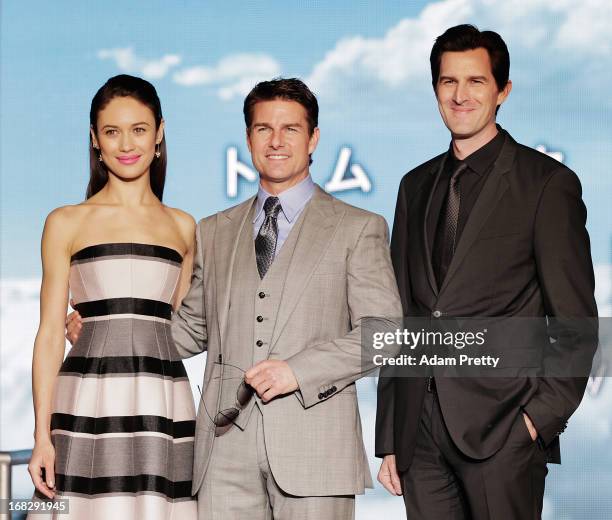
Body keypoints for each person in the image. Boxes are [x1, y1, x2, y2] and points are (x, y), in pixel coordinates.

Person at [67, 77, 401, 519]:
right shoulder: (214, 230)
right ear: (249, 138)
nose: (276, 141)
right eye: (264, 128)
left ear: (313, 137)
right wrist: (104, 334)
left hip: (316, 448)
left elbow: (387, 334)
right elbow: (190, 330)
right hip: (224, 448)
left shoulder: (358, 227)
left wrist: (297, 372)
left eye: (291, 129)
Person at [375, 24, 598, 519]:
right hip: (421, 436)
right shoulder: (414, 187)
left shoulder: (547, 185)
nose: (460, 95)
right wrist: (392, 433)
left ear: (503, 91)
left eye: (475, 81)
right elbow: (404, 316)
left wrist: (536, 422)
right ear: (435, 90)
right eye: (447, 82)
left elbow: (576, 325)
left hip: (505, 432)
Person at [29, 74, 198, 519]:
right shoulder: (66, 222)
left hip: (164, 403)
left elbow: (183, 330)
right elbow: (48, 334)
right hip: (87, 399)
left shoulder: (183, 227)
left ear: (159, 132)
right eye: (112, 130)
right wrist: (41, 436)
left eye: (139, 129)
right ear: (94, 138)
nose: (127, 143)